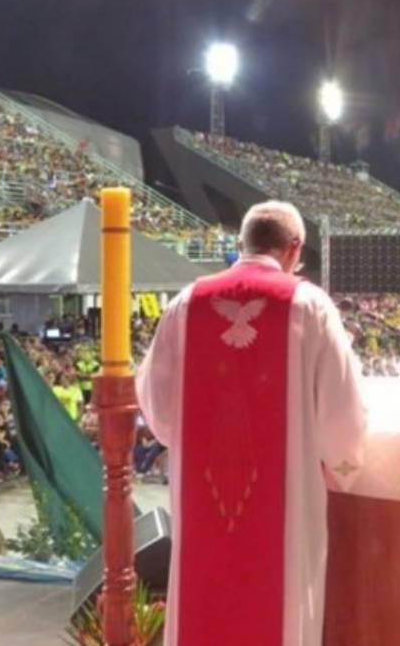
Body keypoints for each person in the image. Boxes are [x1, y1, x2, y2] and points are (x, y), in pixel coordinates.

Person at [136, 200, 368, 646]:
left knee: (203, 598)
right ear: (294, 249)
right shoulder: (309, 304)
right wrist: (344, 463)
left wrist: (187, 440)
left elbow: (157, 405)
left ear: (241, 244)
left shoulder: (187, 303)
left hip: (207, 495)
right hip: (285, 502)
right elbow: (343, 413)